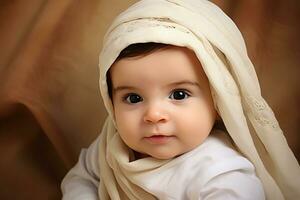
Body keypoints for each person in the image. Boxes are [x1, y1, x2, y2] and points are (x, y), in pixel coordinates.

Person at [61, 0, 300, 199]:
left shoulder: (221, 172)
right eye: (133, 98)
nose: (154, 114)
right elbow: (81, 178)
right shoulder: (110, 147)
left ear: (218, 102)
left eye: (179, 95)